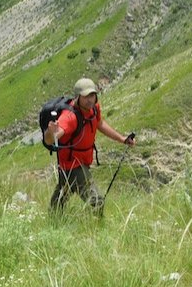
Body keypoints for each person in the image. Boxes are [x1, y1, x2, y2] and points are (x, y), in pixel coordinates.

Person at [43, 77, 135, 214]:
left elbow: (100, 124)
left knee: (61, 197)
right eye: (86, 96)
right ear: (78, 97)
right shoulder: (70, 117)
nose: (90, 99)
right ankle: (95, 228)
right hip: (73, 166)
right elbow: (50, 140)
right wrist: (51, 133)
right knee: (97, 201)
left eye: (92, 95)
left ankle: (52, 220)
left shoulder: (94, 109)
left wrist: (122, 139)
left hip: (80, 162)